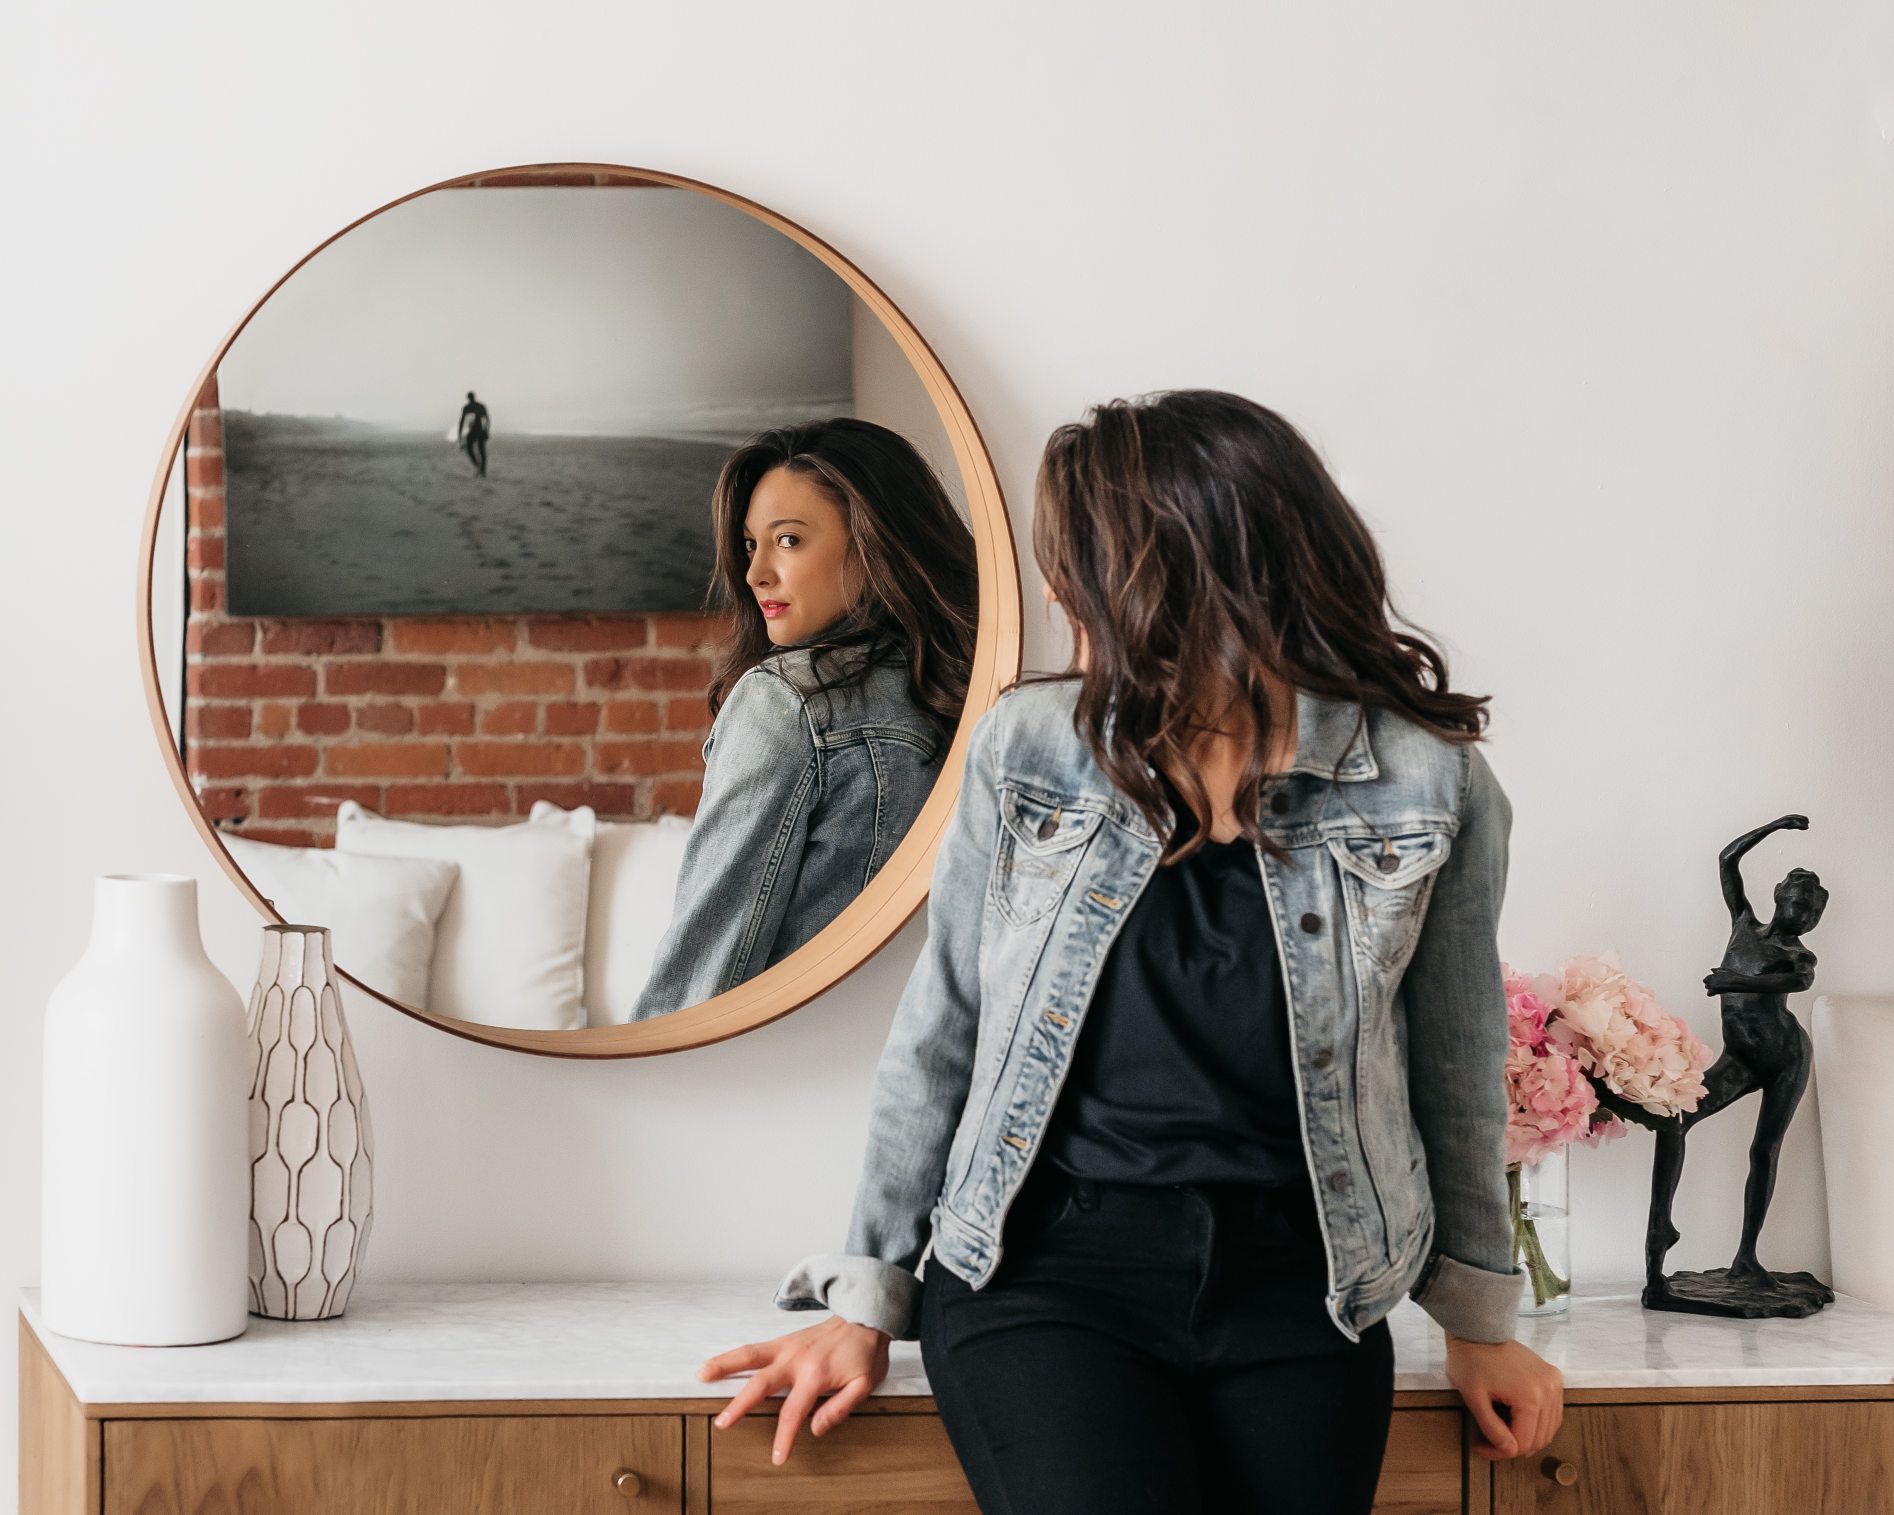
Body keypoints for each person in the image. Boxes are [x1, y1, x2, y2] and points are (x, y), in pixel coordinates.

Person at [696, 389, 1566, 1511]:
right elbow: (941, 1029)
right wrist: (866, 1299)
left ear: (1169, 567)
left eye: (1075, 558)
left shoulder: (1428, 780)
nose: (1058, 588)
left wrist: (1479, 1321)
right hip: (1044, 1275)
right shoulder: (1024, 748)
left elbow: (1455, 1059)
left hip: (1306, 1286)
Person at [627, 417, 979, 1020]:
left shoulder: (786, 704)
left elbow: (703, 983)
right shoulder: (968, 689)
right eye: (749, 544)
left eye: (788, 539)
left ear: (874, 543)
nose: (754, 572)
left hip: (772, 1081)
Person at [457, 390, 489, 476]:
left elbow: (462, 422)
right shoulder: (480, 406)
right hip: (479, 431)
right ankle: (482, 470)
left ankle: (478, 467)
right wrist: (486, 431)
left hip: (473, 431)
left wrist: (459, 434)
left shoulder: (467, 407)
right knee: (481, 450)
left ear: (468, 398)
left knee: (471, 449)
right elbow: (486, 419)